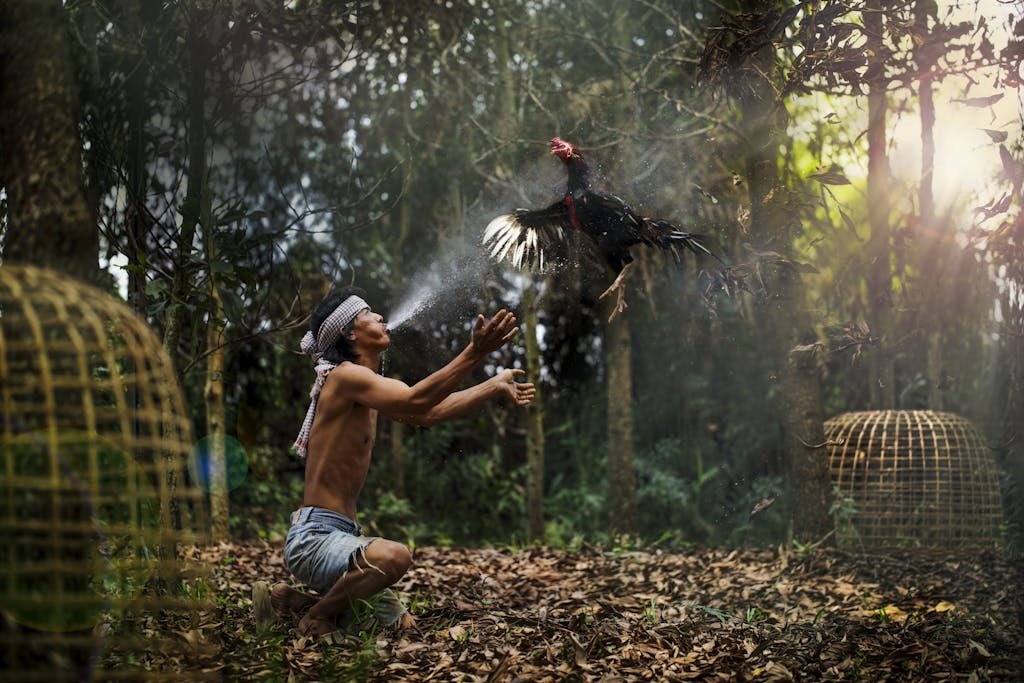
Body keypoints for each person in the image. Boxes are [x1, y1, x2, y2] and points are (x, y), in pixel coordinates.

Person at [270, 286, 535, 638]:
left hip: (343, 539)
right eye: (369, 313)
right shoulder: (345, 376)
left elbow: (428, 412)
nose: (380, 317)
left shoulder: (365, 387)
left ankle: (292, 601)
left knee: (400, 626)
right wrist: (475, 351)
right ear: (350, 332)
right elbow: (415, 399)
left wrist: (493, 384)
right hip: (314, 541)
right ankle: (316, 617)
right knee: (393, 558)